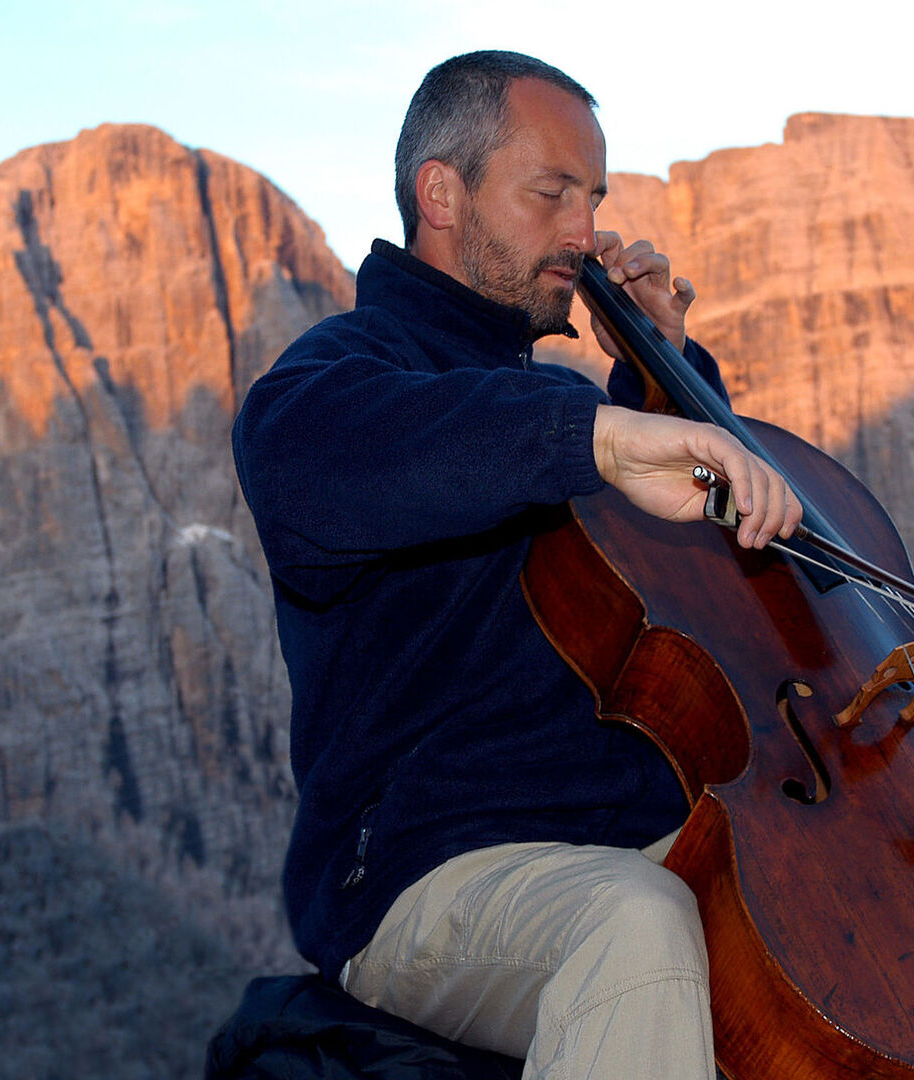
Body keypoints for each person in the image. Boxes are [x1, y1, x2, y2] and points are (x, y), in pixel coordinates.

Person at [232, 50, 801, 1079]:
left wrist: (670, 377)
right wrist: (597, 436)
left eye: (593, 198)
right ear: (440, 192)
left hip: (636, 839)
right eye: (551, 194)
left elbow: (740, 583)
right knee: (630, 927)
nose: (585, 233)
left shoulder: (572, 406)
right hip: (427, 876)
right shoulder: (351, 372)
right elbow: (305, 452)